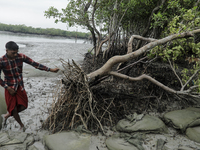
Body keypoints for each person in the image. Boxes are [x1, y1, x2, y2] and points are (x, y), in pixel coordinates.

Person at [0, 41, 59, 131]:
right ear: (7, 50)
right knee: (14, 109)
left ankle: (7, 115)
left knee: (24, 106)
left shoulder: (21, 56)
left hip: (20, 86)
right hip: (9, 88)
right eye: (13, 53)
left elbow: (35, 64)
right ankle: (21, 125)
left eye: (16, 52)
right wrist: (7, 88)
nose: (16, 54)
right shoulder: (2, 61)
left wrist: (50, 70)